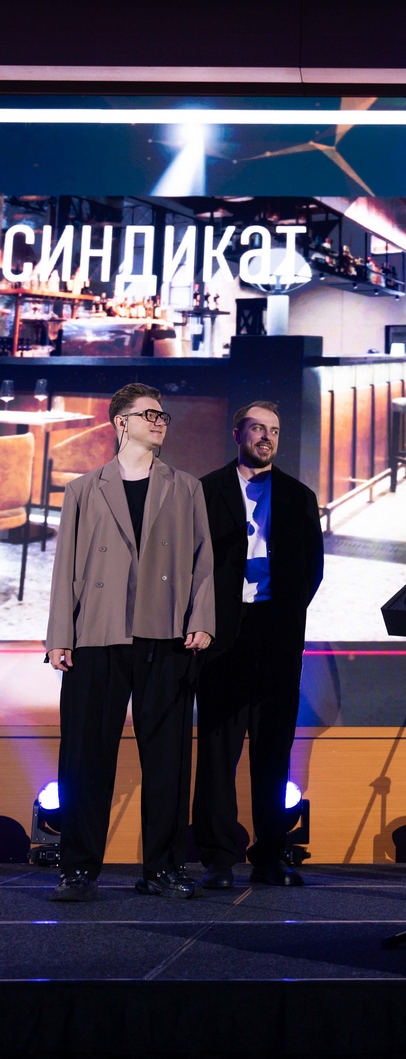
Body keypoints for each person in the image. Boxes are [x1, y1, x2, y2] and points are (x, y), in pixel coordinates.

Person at [45, 382, 214, 901]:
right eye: (150, 414)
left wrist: (201, 618)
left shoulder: (185, 487)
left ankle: (163, 869)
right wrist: (60, 636)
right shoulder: (83, 488)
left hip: (165, 633)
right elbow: (64, 567)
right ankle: (78, 869)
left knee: (167, 759)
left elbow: (203, 561)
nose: (160, 422)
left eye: (163, 416)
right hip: (98, 633)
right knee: (85, 755)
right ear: (121, 422)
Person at [193, 401, 324, 888]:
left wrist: (284, 614)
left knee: (273, 750)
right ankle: (217, 859)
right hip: (221, 635)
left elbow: (312, 570)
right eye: (256, 428)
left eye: (274, 430)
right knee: (217, 752)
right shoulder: (205, 491)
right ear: (237, 434)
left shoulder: (298, 496)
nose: (266, 437)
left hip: (276, 635)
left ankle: (269, 856)